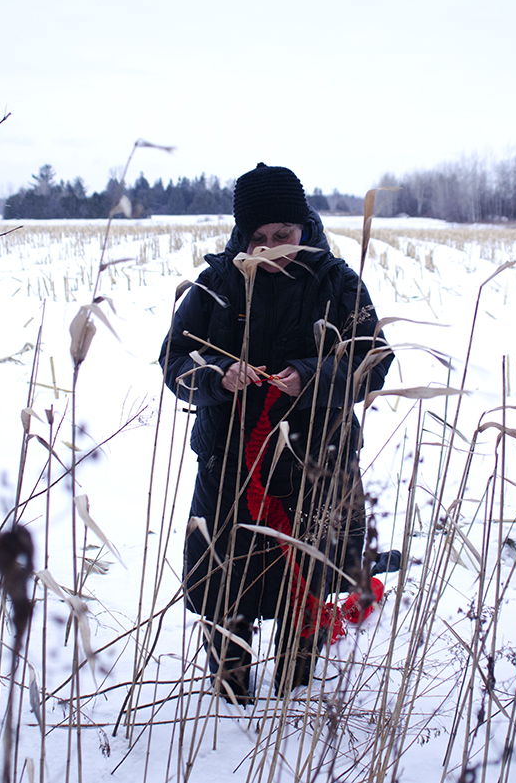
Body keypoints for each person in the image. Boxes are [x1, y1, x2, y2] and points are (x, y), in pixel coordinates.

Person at [159, 163, 393, 703]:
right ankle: (229, 690)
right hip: (230, 464)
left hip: (315, 464)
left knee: (305, 579)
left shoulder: (338, 283)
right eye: (258, 238)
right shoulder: (215, 285)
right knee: (224, 581)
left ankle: (296, 693)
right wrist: (217, 377)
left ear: (303, 228)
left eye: (282, 236)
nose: (270, 249)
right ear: (242, 234)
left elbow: (375, 362)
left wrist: (309, 376)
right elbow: (174, 363)